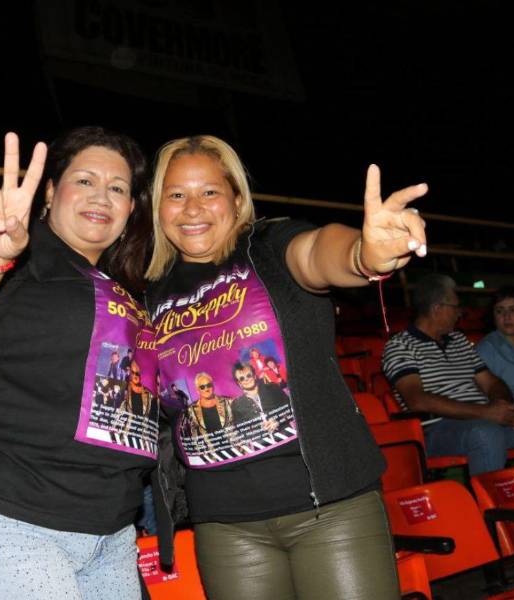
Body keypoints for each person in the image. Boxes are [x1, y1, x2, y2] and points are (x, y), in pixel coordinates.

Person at [145, 134, 428, 599]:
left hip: (331, 511)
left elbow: (320, 253)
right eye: (176, 195)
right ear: (158, 208)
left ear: (236, 200)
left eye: (209, 191)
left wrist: (364, 254)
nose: (191, 208)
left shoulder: (270, 247)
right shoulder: (148, 293)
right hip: (224, 526)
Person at [0, 128, 156, 600]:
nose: (101, 197)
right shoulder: (22, 256)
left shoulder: (120, 289)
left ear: (130, 209)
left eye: (118, 188)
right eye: (85, 180)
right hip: (9, 520)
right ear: (50, 191)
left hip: (109, 533)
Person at [382, 274, 514, 476]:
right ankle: (495, 506)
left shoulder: (459, 341)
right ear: (437, 309)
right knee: (486, 433)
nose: (460, 313)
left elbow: (492, 383)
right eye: (455, 307)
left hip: (484, 420)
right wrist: (487, 412)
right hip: (437, 429)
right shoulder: (400, 345)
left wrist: (504, 408)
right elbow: (417, 400)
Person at [230, 362, 286, 435]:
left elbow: (290, 408)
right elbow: (241, 431)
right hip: (263, 443)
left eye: (248, 375)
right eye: (242, 378)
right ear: (239, 383)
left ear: (254, 376)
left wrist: (278, 420)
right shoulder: (236, 405)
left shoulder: (272, 388)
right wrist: (259, 429)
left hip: (286, 434)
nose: (246, 379)